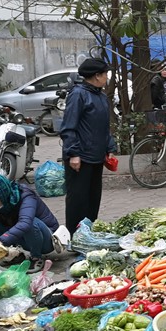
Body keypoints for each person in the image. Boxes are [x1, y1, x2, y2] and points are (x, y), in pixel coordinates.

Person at [60, 57, 118, 236]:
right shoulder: (78, 95)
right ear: (96, 76)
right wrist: (73, 153)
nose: (107, 77)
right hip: (80, 157)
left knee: (93, 199)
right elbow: (69, 126)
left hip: (96, 157)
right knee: (78, 201)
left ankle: (89, 234)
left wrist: (109, 147)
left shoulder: (101, 96)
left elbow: (104, 126)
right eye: (105, 74)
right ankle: (73, 236)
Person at [0, 174, 60, 274]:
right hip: (24, 237)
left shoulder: (26, 196)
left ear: (2, 193)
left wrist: (1, 241)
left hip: (47, 239)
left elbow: (25, 223)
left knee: (30, 223)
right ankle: (14, 254)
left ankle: (36, 257)